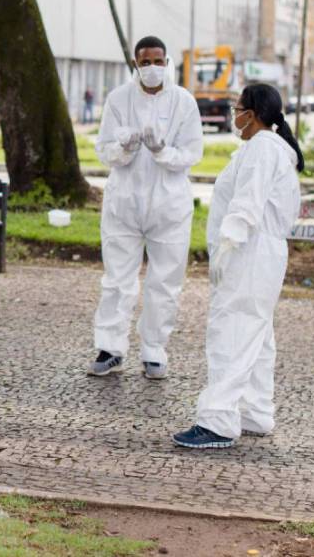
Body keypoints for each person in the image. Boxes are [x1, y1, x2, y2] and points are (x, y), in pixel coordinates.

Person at [172, 84, 302, 449]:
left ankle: (217, 421)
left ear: (254, 113)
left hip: (249, 249)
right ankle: (255, 411)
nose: (234, 114)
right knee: (257, 334)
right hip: (262, 251)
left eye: (237, 108)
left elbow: (247, 202)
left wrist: (229, 244)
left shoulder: (262, 149)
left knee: (232, 332)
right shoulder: (267, 149)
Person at [89, 36, 204, 379]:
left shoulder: (184, 101)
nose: (152, 68)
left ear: (167, 62)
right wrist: (124, 148)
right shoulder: (118, 99)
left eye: (158, 61)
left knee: (165, 281)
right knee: (116, 279)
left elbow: (192, 153)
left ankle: (154, 349)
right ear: (135, 64)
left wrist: (160, 151)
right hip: (124, 201)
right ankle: (110, 346)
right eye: (145, 62)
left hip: (169, 204)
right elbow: (103, 148)